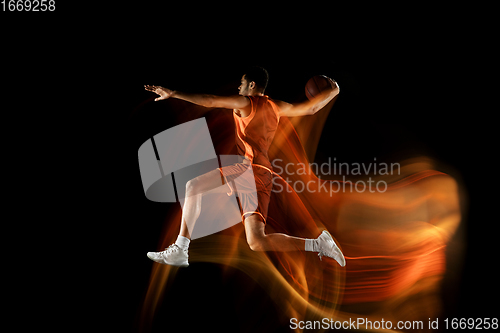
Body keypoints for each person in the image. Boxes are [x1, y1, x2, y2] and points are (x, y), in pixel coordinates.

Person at [144, 66, 345, 267]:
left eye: (241, 84)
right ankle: (319, 244)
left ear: (251, 84)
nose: (239, 88)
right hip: (263, 173)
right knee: (257, 241)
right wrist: (334, 90)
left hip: (248, 168)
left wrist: (173, 93)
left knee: (193, 186)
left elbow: (211, 100)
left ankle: (180, 249)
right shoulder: (276, 106)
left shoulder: (246, 102)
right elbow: (311, 109)